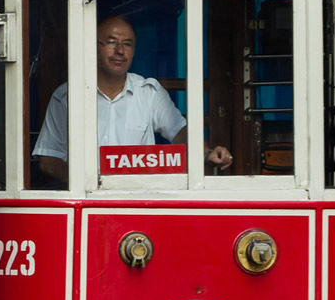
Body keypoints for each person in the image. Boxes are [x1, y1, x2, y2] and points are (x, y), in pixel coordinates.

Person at [31, 15, 233, 183]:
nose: (120, 51)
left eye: (127, 44)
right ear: (93, 47)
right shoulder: (67, 97)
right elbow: (49, 160)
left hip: (139, 199)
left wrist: (206, 153)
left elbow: (180, 132)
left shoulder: (148, 92)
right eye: (111, 42)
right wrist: (92, 181)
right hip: (86, 199)